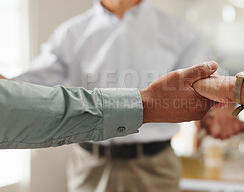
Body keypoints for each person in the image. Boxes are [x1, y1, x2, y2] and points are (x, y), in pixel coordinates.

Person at [14, 0, 240, 192]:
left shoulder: (178, 31)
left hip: (155, 168)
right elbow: (21, 89)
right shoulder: (70, 33)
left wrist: (221, 106)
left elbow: (212, 84)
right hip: (90, 168)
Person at [0, 61, 217, 149]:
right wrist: (147, 104)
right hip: (91, 159)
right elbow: (22, 95)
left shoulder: (178, 29)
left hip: (154, 160)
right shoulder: (72, 32)